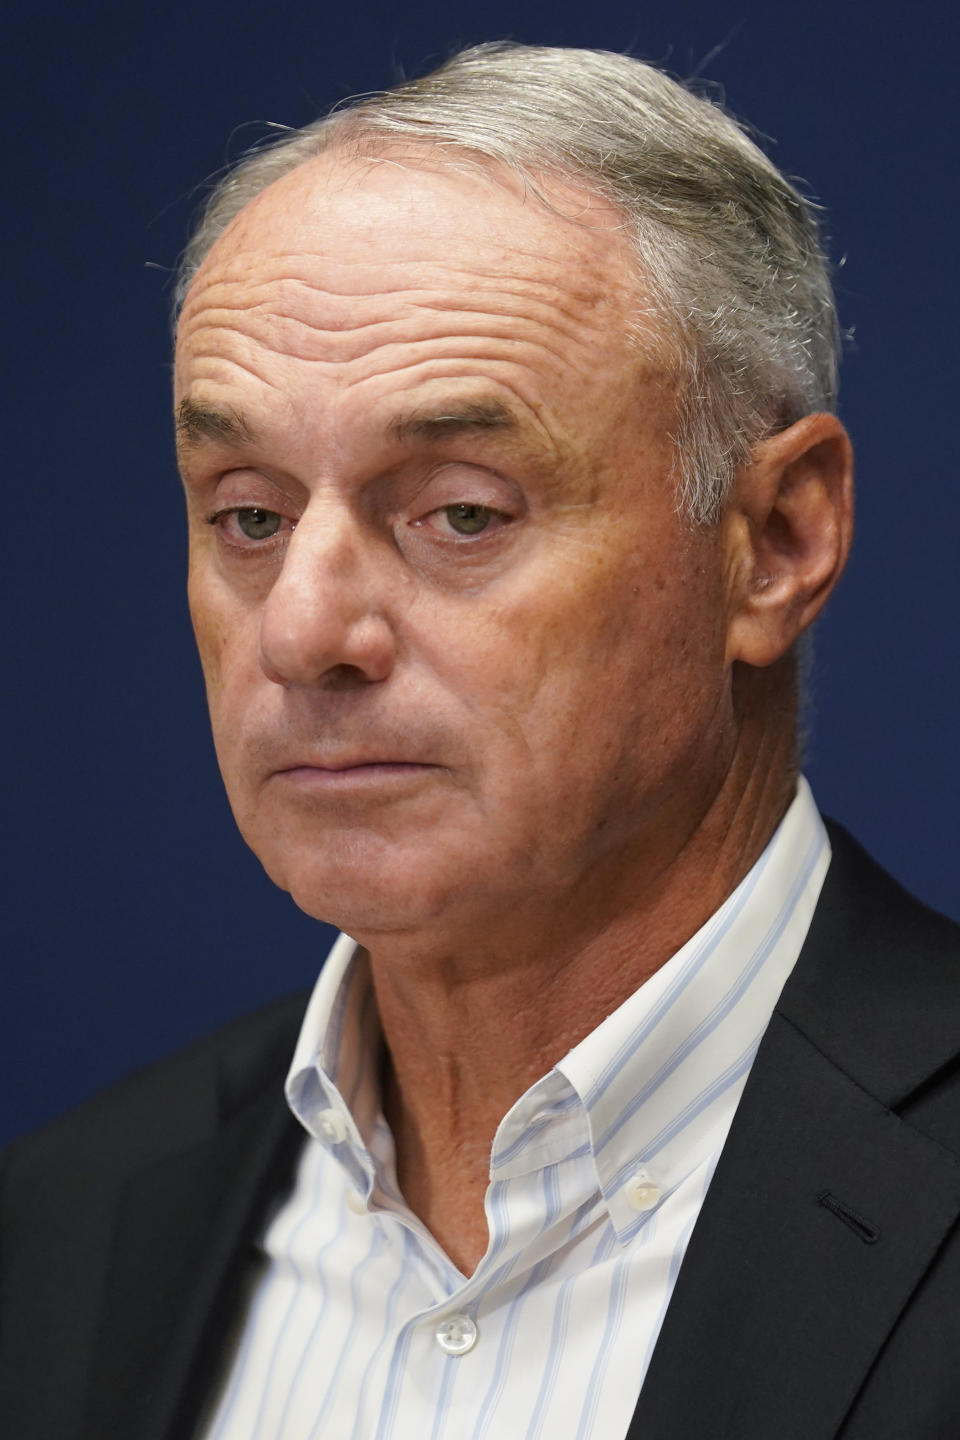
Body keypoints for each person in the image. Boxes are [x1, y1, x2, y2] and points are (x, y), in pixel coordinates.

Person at [2, 41, 958, 1440]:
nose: (302, 631)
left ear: (776, 542)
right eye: (249, 515)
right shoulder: (62, 1229)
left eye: (460, 510)